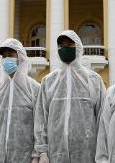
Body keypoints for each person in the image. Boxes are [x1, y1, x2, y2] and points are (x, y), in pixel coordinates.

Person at [34, 30, 107, 163]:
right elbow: (41, 118)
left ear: (78, 47)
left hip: (87, 154)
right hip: (55, 154)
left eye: (69, 44)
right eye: (62, 46)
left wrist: (102, 155)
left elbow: (102, 119)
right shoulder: (49, 81)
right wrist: (42, 152)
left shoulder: (93, 80)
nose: (65, 48)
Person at [0, 38, 41, 163]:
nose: (6, 59)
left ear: (20, 57)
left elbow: (40, 125)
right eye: (4, 56)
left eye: (10, 55)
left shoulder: (34, 89)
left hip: (24, 158)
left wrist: (37, 155)